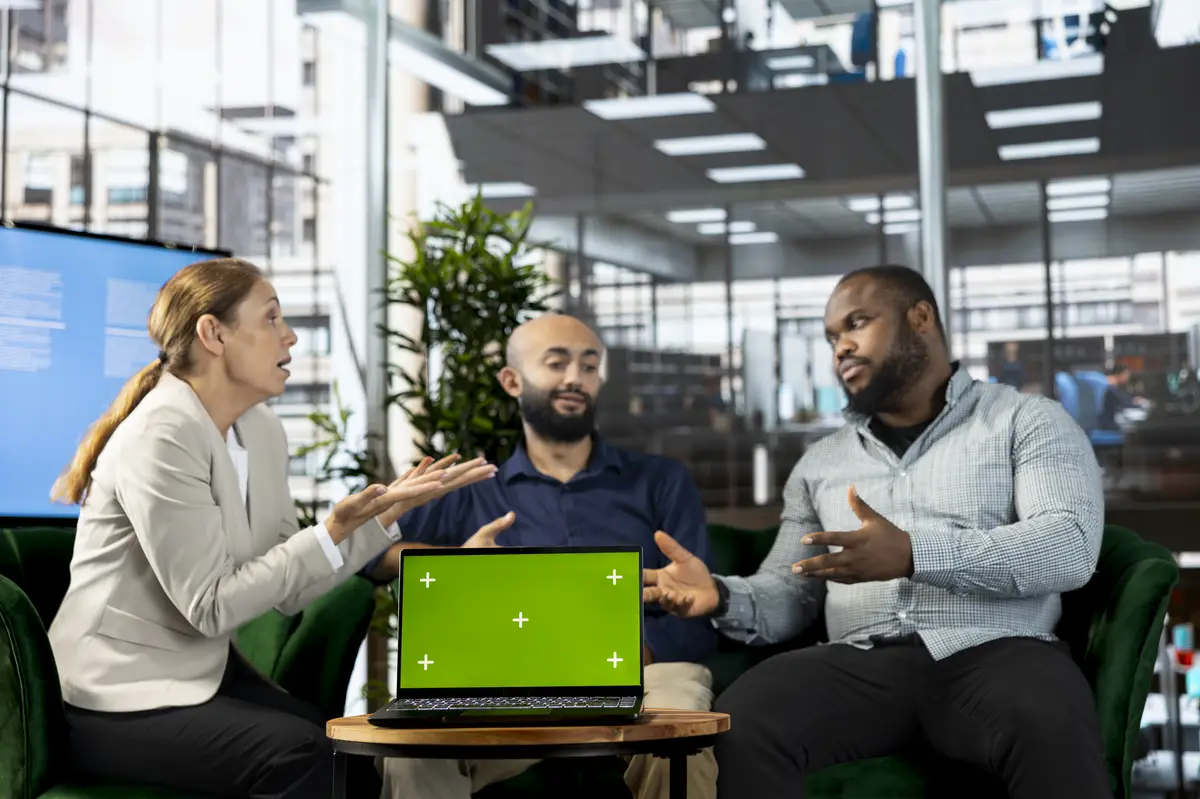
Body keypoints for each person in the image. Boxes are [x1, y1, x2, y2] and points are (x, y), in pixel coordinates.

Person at [643, 265, 1111, 799]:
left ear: (920, 318)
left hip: (999, 653)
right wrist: (721, 595)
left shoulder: (1027, 420)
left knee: (1048, 716)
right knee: (738, 725)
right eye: (832, 338)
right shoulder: (821, 463)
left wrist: (916, 553)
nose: (840, 347)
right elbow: (791, 592)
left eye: (857, 323)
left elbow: (1067, 547)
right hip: (857, 664)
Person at [47, 258, 494, 799]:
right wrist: (329, 532)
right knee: (303, 757)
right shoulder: (161, 436)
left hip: (198, 675)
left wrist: (377, 522)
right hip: (110, 698)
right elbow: (211, 606)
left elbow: (288, 589)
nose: (291, 336)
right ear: (213, 333)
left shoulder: (260, 431)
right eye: (272, 318)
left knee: (351, 756)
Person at [372, 313, 719, 799]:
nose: (575, 378)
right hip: (503, 678)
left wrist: (628, 656)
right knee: (412, 755)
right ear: (512, 380)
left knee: (679, 743)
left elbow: (698, 608)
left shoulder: (661, 480)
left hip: (645, 672)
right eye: (556, 363)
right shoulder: (473, 488)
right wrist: (456, 561)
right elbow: (368, 552)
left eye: (589, 366)